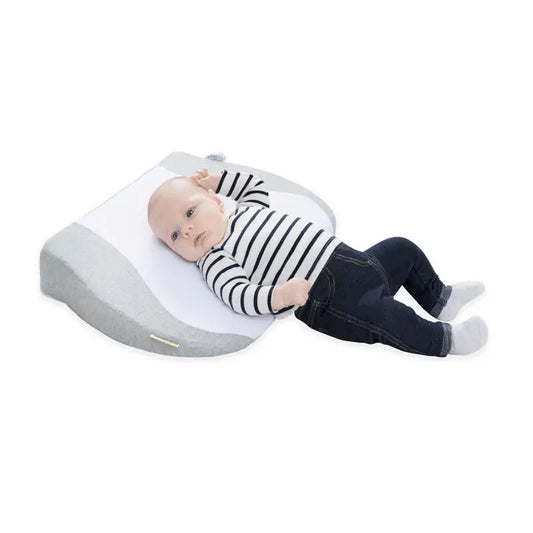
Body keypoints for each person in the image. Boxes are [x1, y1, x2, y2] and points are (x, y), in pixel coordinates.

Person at [147, 168, 487, 357]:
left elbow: (256, 187)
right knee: (388, 317)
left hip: (351, 259)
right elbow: (239, 295)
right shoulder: (215, 259)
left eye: (190, 212)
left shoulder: (247, 211)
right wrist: (280, 295)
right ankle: (446, 340)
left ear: (216, 202)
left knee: (402, 248)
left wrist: (218, 181)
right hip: (326, 297)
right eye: (174, 235)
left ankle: (440, 299)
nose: (187, 230)